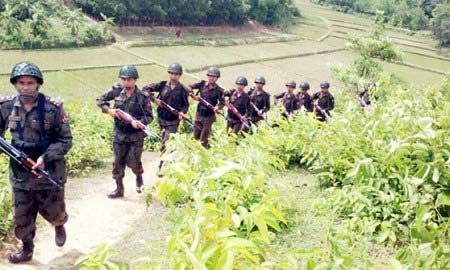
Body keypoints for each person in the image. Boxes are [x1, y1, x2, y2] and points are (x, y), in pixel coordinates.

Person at [0, 62, 73, 263]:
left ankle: (59, 224)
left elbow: (65, 140)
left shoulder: (52, 108)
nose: (25, 87)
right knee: (22, 216)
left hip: (49, 170)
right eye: (21, 83)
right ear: (15, 84)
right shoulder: (5, 106)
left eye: (30, 83)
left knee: (54, 211)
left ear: (38, 84)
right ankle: (27, 249)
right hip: (20, 173)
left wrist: (45, 158)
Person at [97, 65, 153, 198]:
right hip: (119, 134)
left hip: (135, 136)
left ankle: (139, 177)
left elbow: (149, 116)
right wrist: (109, 110)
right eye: (124, 79)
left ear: (135, 80)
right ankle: (119, 188)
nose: (126, 82)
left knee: (134, 162)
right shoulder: (117, 92)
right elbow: (100, 100)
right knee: (117, 162)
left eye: (129, 80)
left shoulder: (142, 97)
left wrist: (139, 122)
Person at [189, 67, 225, 148]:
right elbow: (189, 87)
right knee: (195, 137)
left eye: (214, 76)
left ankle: (204, 154)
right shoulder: (201, 84)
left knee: (203, 139)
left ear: (217, 78)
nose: (212, 78)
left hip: (209, 117)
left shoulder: (219, 90)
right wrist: (192, 95)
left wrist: (217, 107)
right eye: (210, 76)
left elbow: (222, 103)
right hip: (199, 115)